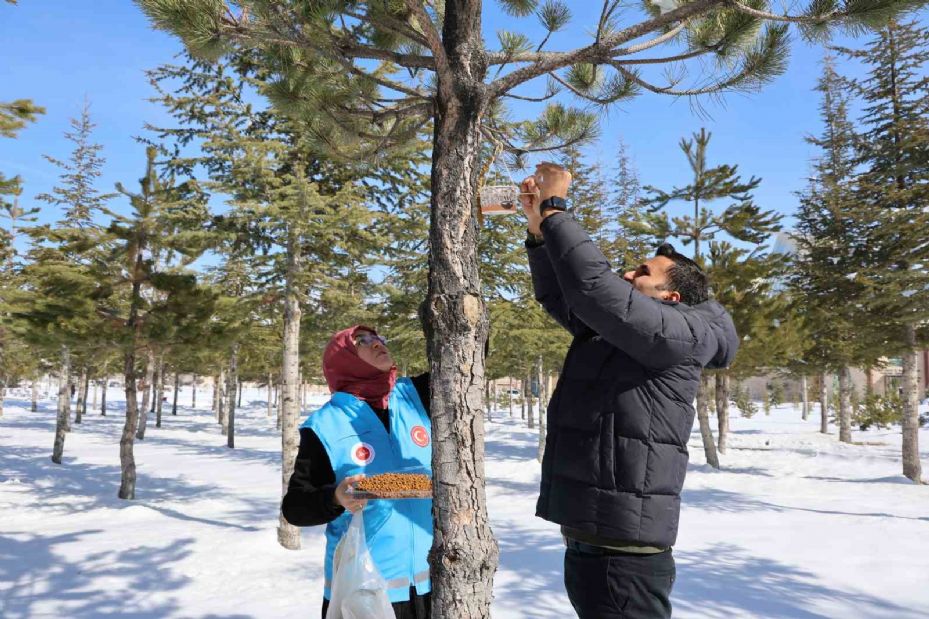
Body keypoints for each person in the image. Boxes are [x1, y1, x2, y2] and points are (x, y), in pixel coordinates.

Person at [520, 164, 739, 619]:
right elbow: (568, 301)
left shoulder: (680, 333)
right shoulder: (636, 333)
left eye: (642, 272)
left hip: (625, 552)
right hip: (597, 536)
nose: (628, 272)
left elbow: (594, 291)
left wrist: (557, 209)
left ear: (670, 297)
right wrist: (540, 234)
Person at [281, 325, 432, 619]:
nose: (377, 343)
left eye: (379, 338)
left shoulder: (415, 396)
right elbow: (295, 508)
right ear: (344, 357)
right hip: (365, 591)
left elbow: (472, 350)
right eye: (362, 341)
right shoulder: (326, 424)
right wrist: (335, 498)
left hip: (432, 582)